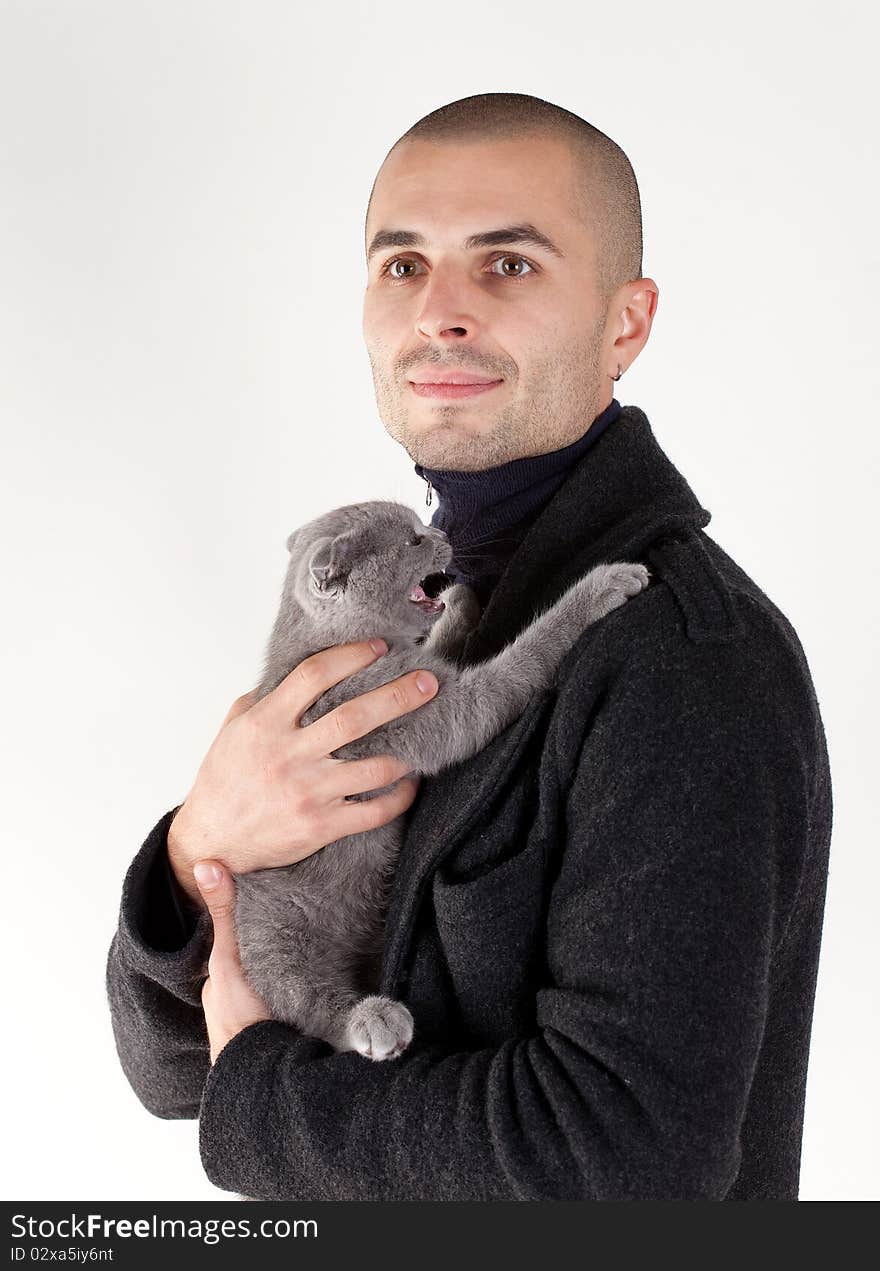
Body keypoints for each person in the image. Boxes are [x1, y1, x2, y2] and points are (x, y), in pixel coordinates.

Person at [105, 92, 833, 1201]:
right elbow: (168, 1068)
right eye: (403, 266)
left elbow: (628, 1162)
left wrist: (264, 1093)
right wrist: (201, 846)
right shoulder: (390, 613)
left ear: (625, 323)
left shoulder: (683, 660)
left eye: (507, 266)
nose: (440, 310)